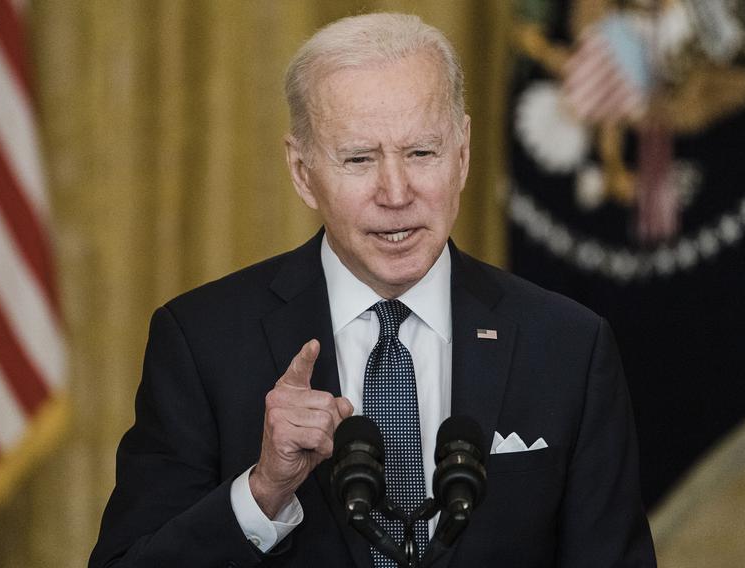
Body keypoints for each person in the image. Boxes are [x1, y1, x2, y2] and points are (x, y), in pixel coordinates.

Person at [90, 12, 656, 568]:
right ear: (302, 171)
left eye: (421, 153)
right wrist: (262, 493)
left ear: (462, 152)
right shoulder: (203, 343)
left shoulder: (568, 348)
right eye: (359, 159)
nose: (395, 192)